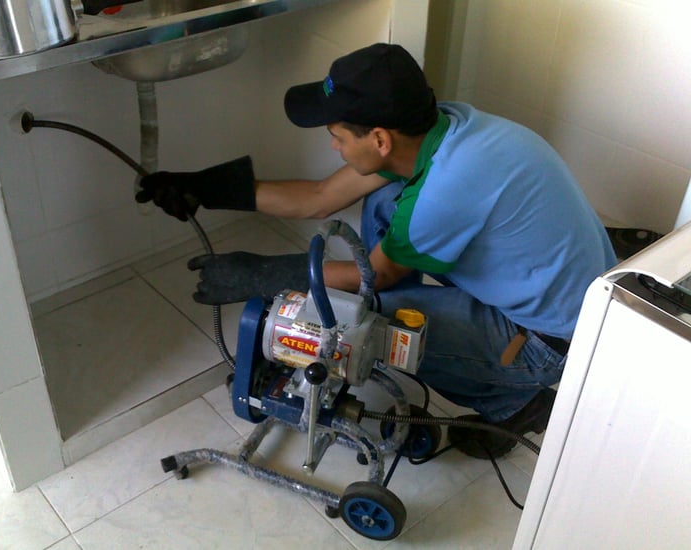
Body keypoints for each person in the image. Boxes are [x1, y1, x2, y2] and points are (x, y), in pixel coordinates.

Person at [136, 43, 617, 458]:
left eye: (338, 136)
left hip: (551, 339)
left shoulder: (445, 191)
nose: (333, 145)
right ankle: (436, 324)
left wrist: (266, 274)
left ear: (379, 139)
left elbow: (377, 275)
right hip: (564, 290)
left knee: (369, 325)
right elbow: (319, 197)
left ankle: (517, 404)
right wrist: (204, 187)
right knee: (385, 198)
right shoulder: (446, 128)